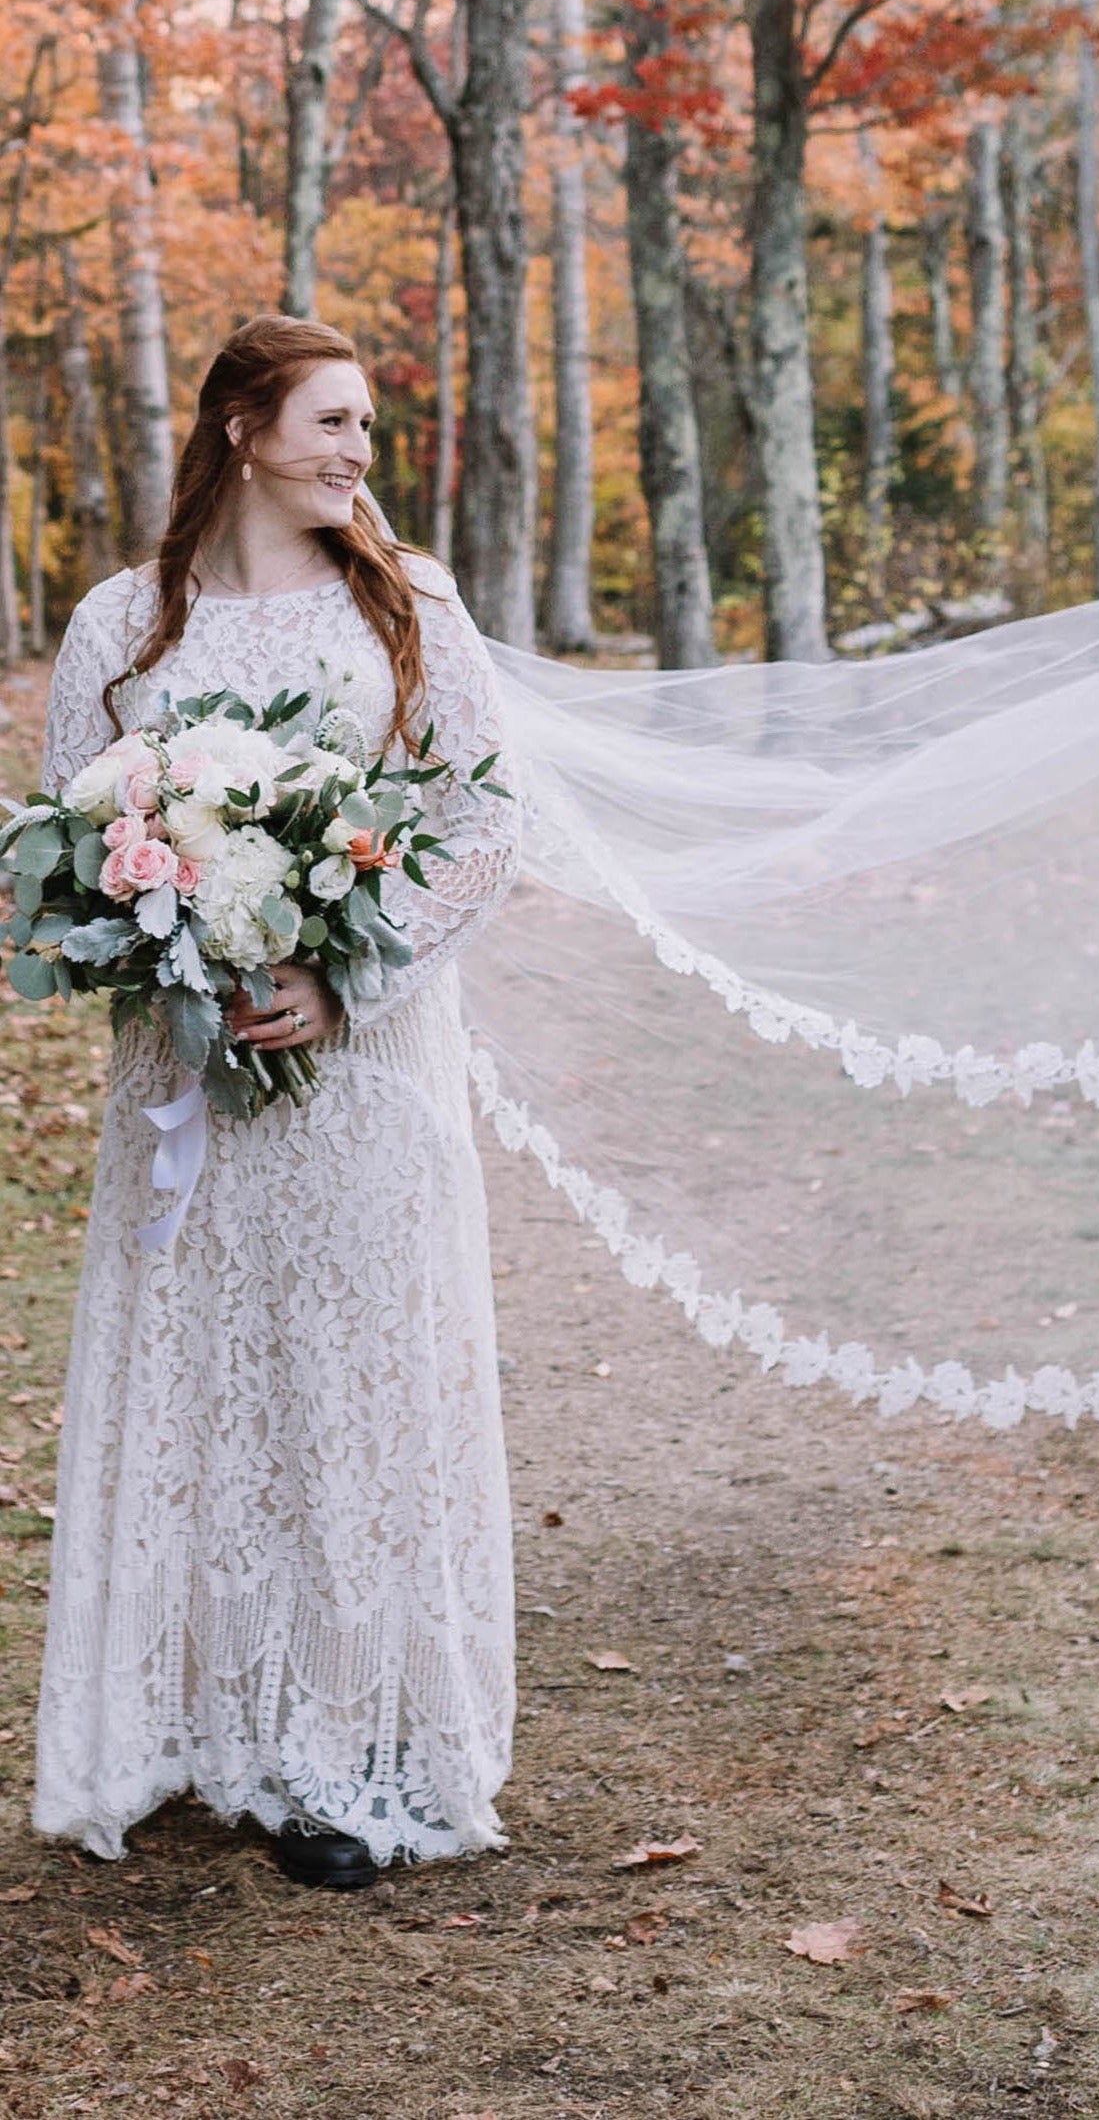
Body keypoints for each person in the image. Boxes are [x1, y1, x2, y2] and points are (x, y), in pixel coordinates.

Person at [32, 316, 520, 1891]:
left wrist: (341, 983)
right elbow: (68, 837)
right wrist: (152, 933)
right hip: (183, 1080)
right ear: (242, 426)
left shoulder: (409, 606)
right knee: (204, 1386)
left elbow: (479, 832)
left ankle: (353, 1752)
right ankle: (190, 1723)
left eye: (366, 425)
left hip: (366, 1078)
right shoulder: (126, 619)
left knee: (351, 1396)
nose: (356, 451)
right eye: (329, 420)